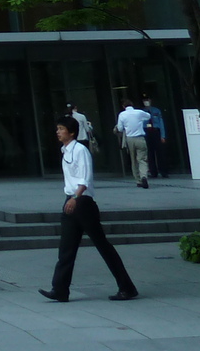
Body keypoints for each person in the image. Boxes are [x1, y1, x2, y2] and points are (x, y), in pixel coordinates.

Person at [40, 117, 139, 303]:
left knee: (102, 246)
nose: (58, 132)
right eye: (58, 129)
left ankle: (127, 287)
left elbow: (84, 179)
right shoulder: (65, 150)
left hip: (82, 202)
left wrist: (75, 198)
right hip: (71, 200)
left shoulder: (80, 150)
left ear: (71, 132)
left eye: (61, 129)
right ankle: (60, 290)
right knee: (66, 248)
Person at [114, 100, 152, 188]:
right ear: (132, 105)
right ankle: (144, 176)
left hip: (130, 139)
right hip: (140, 137)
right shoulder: (139, 112)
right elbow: (148, 116)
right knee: (142, 159)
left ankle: (138, 180)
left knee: (133, 160)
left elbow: (119, 128)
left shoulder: (122, 115)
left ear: (124, 106)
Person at [140, 93, 168, 178]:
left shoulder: (156, 111)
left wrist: (163, 136)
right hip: (147, 132)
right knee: (149, 153)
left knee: (160, 153)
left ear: (150, 101)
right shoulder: (141, 112)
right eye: (145, 101)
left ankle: (163, 171)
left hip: (156, 132)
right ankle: (153, 172)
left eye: (147, 100)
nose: (146, 102)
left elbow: (161, 123)